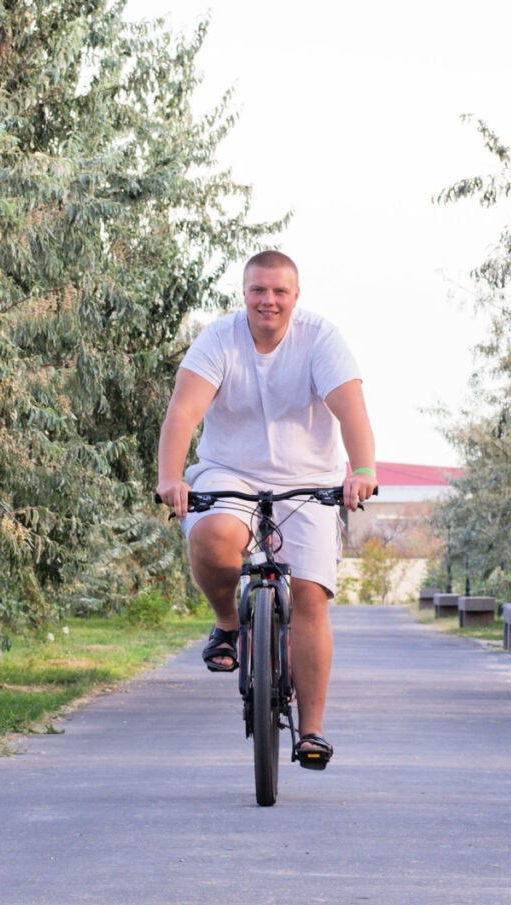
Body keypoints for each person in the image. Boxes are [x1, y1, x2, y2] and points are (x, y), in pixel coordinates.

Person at [156, 250, 377, 770]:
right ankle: (229, 623)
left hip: (311, 480)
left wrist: (362, 471)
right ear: (244, 293)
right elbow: (184, 410)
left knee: (309, 597)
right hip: (229, 472)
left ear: (295, 297)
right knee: (210, 538)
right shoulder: (219, 338)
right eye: (258, 290)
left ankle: (313, 729)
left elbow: (351, 410)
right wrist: (171, 477)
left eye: (279, 291)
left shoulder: (320, 339)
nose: (268, 300)